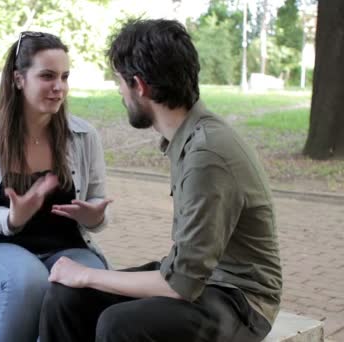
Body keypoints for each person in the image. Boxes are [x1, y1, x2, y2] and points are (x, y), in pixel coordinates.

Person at [40, 19, 282, 342]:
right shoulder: (188, 139)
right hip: (202, 281)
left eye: (120, 83)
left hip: (240, 301)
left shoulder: (207, 153)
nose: (120, 92)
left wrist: (86, 274)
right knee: (66, 298)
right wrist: (83, 281)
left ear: (140, 86)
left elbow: (180, 284)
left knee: (118, 324)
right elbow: (183, 272)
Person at [0, 31, 112, 342]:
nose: (59, 87)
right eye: (47, 76)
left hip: (69, 246)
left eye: (64, 76)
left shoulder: (84, 136)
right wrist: (11, 219)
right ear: (19, 79)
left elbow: (97, 203)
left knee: (88, 284)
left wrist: (94, 217)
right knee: (28, 284)